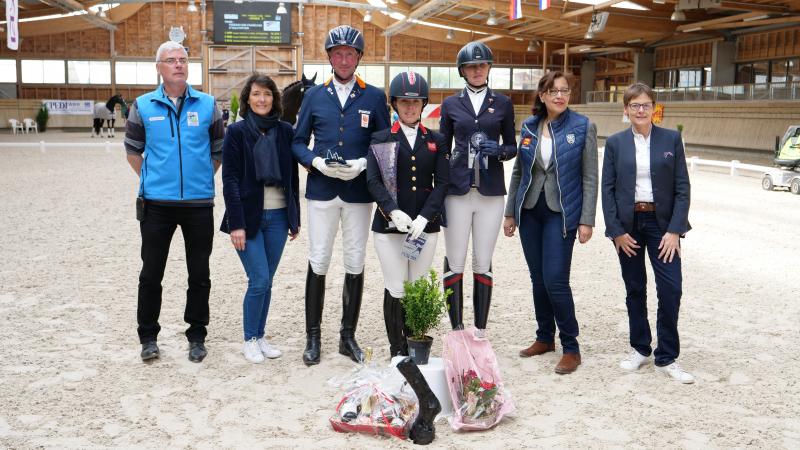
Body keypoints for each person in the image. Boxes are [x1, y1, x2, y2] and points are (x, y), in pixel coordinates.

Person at [292, 25, 391, 365]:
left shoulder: (375, 97)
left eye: (350, 54)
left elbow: (384, 141)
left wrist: (365, 163)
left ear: (359, 58)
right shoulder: (314, 96)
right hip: (322, 190)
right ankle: (313, 337)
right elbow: (296, 140)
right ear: (330, 58)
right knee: (318, 259)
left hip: (358, 192)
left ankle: (347, 336)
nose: (344, 59)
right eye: (338, 54)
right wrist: (316, 161)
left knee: (354, 260)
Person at [124, 41, 225, 363]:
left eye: (182, 60)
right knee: (151, 273)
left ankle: (197, 335)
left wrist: (199, 178)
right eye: (171, 60)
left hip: (198, 204)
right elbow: (132, 151)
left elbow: (218, 150)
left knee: (199, 274)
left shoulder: (208, 105)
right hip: (156, 205)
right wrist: (156, 180)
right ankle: (148, 337)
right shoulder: (142, 105)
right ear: (159, 67)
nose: (178, 65)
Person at [503, 71, 598, 375]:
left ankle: (571, 346)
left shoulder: (583, 126)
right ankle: (545, 337)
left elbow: (589, 176)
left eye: (565, 91)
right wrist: (510, 212)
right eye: (553, 91)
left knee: (556, 279)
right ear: (542, 95)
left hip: (562, 213)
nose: (560, 96)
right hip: (530, 210)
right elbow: (519, 171)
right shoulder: (530, 126)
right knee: (538, 279)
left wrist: (586, 220)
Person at [601, 82, 693, 384]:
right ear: (625, 110)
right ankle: (640, 348)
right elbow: (608, 189)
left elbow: (682, 187)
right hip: (629, 227)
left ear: (654, 108)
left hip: (662, 226)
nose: (640, 110)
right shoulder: (615, 143)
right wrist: (616, 231)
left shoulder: (671, 139)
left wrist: (675, 230)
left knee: (671, 289)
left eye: (645, 104)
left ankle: (667, 356)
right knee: (635, 288)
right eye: (634, 105)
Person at [366, 71, 449, 357]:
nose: (410, 107)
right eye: (404, 101)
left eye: (415, 102)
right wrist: (392, 212)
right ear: (395, 103)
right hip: (389, 229)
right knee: (396, 287)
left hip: (424, 229)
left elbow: (443, 182)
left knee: (416, 286)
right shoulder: (381, 138)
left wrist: (426, 217)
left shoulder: (437, 140)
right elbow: (373, 181)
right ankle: (397, 350)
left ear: (423, 104)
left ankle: (415, 344)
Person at [220, 74, 300, 364]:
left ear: (274, 98)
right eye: (256, 94)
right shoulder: (237, 133)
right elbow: (229, 180)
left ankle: (261, 335)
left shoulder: (285, 131)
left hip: (279, 217)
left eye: (267, 94)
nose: (262, 99)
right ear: (247, 99)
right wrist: (236, 223)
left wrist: (295, 218)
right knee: (258, 280)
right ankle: (249, 339)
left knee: (268, 281)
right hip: (248, 218)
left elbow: (292, 178)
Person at [438, 41, 517, 333]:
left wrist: (498, 151)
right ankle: (457, 328)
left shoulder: (504, 104)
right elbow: (442, 149)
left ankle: (480, 329)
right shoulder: (450, 104)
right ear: (463, 70)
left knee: (482, 260)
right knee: (455, 259)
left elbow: (511, 146)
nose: (477, 70)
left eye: (482, 65)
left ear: (489, 68)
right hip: (457, 192)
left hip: (490, 192)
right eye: (472, 66)